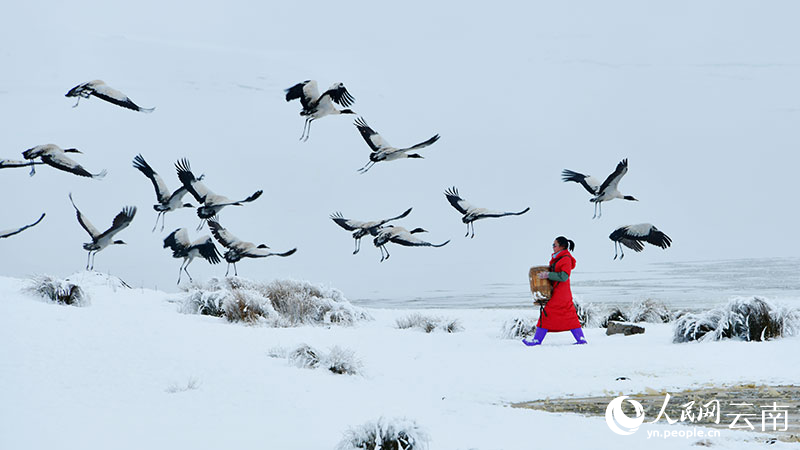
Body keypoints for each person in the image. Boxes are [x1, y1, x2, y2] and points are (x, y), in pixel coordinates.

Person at [523, 236, 587, 346]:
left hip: (561, 293)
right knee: (569, 315)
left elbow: (564, 276)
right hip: (559, 292)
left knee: (547, 314)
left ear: (561, 246)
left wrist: (548, 275)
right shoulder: (559, 258)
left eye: (554, 245)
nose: (553, 247)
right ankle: (581, 339)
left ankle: (537, 340)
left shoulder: (565, 259)